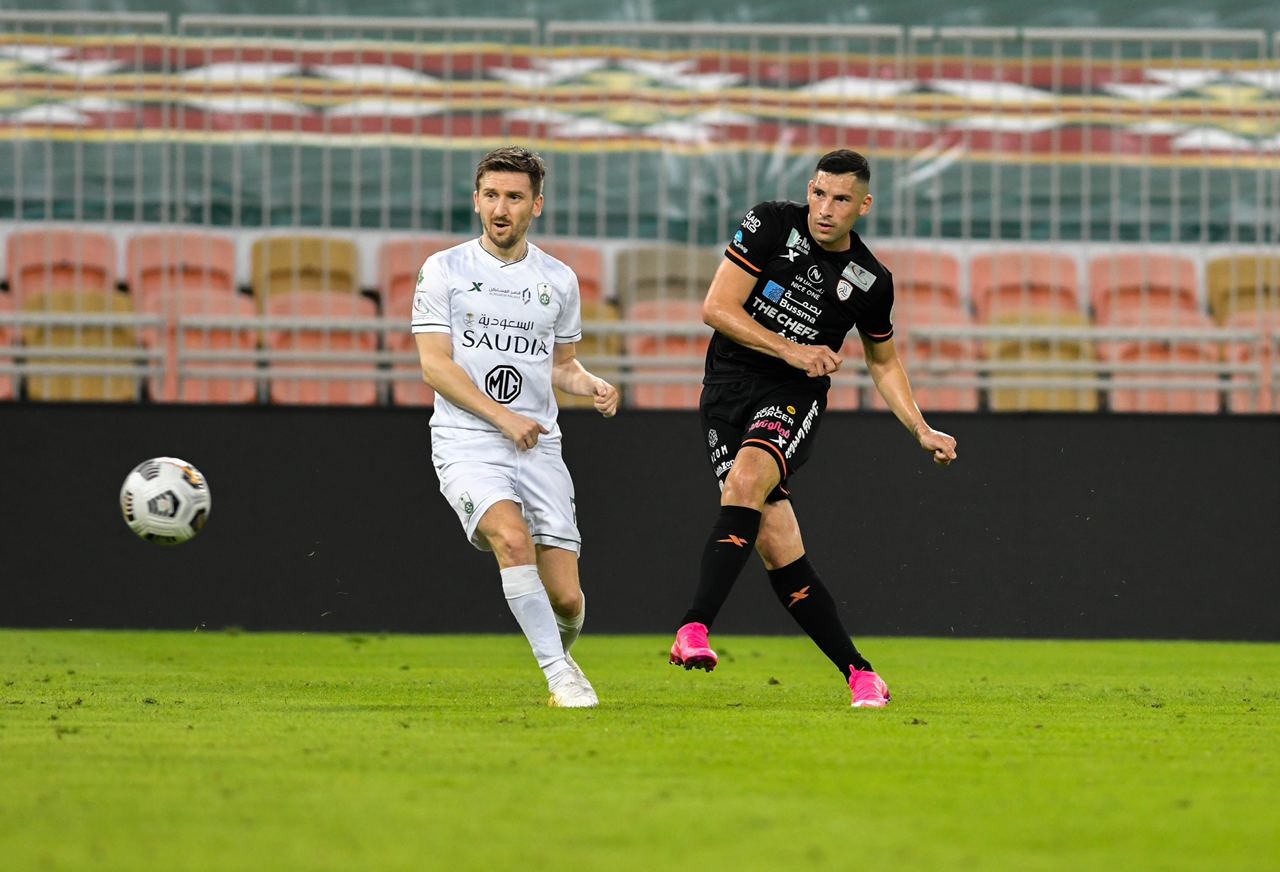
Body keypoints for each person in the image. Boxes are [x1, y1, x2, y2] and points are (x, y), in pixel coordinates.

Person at [668, 149, 957, 708]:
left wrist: (920, 428)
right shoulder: (771, 222)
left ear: (864, 205)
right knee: (779, 546)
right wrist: (792, 348)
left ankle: (694, 627)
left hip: (792, 397)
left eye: (841, 199)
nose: (825, 208)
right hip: (727, 387)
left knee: (745, 481)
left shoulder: (871, 280)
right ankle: (860, 672)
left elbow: (883, 361)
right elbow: (716, 307)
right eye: (819, 194)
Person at [412, 146, 619, 708]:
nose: (501, 208)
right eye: (491, 195)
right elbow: (435, 364)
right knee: (510, 538)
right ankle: (560, 676)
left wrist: (593, 384)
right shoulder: (445, 269)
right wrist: (503, 418)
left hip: (538, 448)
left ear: (537, 205)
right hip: (469, 441)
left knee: (569, 601)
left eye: (514, 197)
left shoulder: (558, 279)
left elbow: (561, 366)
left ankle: (561, 658)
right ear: (477, 200)